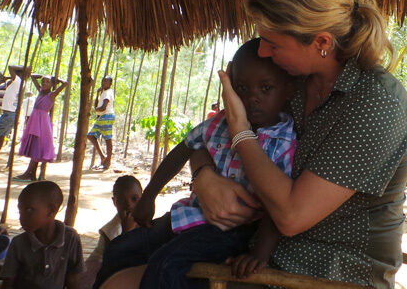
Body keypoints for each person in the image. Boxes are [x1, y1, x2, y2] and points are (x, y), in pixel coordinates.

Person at [190, 0, 407, 288]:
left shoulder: (377, 101)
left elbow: (291, 216)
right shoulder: (291, 82)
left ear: (321, 42)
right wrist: (203, 176)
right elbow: (206, 140)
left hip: (333, 274)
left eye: (272, 43)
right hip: (254, 254)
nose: (262, 52)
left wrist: (241, 132)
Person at [96, 38, 295, 289]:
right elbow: (182, 151)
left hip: (229, 231)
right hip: (189, 216)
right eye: (242, 88)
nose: (252, 98)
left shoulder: (284, 141)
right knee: (119, 248)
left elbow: (278, 204)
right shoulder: (219, 123)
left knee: (167, 265)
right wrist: (148, 197)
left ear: (288, 90)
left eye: (265, 88)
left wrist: (260, 254)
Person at [1, 181, 85, 289]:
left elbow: (73, 279)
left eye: (29, 210)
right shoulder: (19, 243)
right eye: (20, 211)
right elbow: (8, 282)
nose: (21, 217)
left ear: (51, 211)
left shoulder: (70, 238)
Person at [81, 175, 142, 289]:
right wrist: (126, 232)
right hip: (98, 276)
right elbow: (116, 259)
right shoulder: (111, 231)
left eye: (134, 199)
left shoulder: (145, 223)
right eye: (122, 201)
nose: (129, 205)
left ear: (143, 199)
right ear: (115, 202)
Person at [13, 75, 69, 182]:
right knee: (35, 147)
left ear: (52, 84)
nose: (44, 83)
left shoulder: (52, 94)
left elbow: (65, 83)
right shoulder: (40, 91)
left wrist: (57, 80)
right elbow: (33, 77)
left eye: (47, 82)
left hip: (42, 123)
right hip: (34, 121)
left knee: (38, 146)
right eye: (43, 81)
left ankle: (28, 173)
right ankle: (31, 174)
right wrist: (41, 77)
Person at [0, 65, 30, 161]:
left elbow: (10, 67)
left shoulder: (18, 81)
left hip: (9, 114)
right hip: (8, 114)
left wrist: (23, 68)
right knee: (0, 137)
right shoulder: (17, 82)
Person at [87, 76, 115, 170]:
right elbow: (97, 105)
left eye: (106, 82)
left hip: (107, 116)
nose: (103, 83)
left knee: (108, 139)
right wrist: (98, 93)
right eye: (103, 81)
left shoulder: (108, 93)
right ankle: (103, 157)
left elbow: (103, 107)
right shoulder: (104, 92)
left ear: (110, 84)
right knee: (91, 135)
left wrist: (95, 110)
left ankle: (108, 161)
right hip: (102, 117)